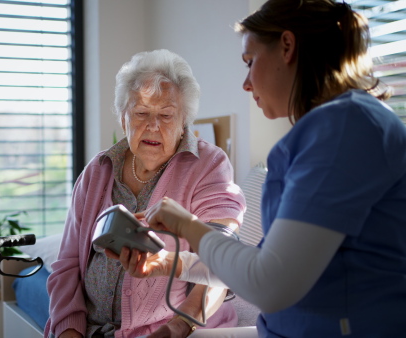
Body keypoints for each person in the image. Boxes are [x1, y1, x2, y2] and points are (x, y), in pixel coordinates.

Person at [113, 1, 406, 337]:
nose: (246, 83)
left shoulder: (342, 129)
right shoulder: (334, 128)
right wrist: (168, 264)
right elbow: (260, 264)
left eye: (250, 62)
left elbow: (269, 282)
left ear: (287, 46)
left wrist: (186, 224)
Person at [44, 49, 246, 338]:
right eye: (141, 113)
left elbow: (223, 261)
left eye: (166, 115)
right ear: (123, 117)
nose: (153, 126)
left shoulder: (209, 165)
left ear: (183, 121)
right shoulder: (98, 170)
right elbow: (67, 264)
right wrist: (68, 331)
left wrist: (177, 327)